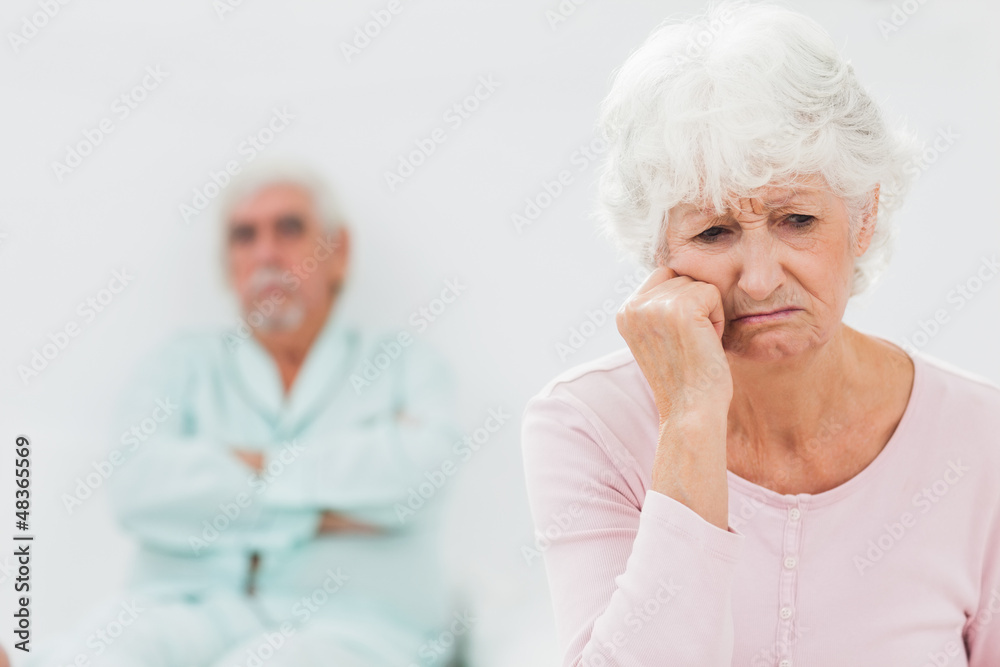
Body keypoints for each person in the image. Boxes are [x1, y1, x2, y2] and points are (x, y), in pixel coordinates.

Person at [521, 3, 1000, 666]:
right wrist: (690, 417)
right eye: (713, 231)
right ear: (658, 250)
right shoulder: (586, 425)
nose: (759, 278)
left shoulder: (981, 437)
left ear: (863, 218)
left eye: (797, 220)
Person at [30, 161, 463, 667]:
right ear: (228, 265)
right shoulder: (179, 365)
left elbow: (421, 475)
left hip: (357, 627)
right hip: (185, 609)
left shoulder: (405, 365)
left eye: (289, 228)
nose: (266, 253)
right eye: (244, 236)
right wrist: (330, 506)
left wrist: (244, 467)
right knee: (96, 652)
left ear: (338, 252)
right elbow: (137, 487)